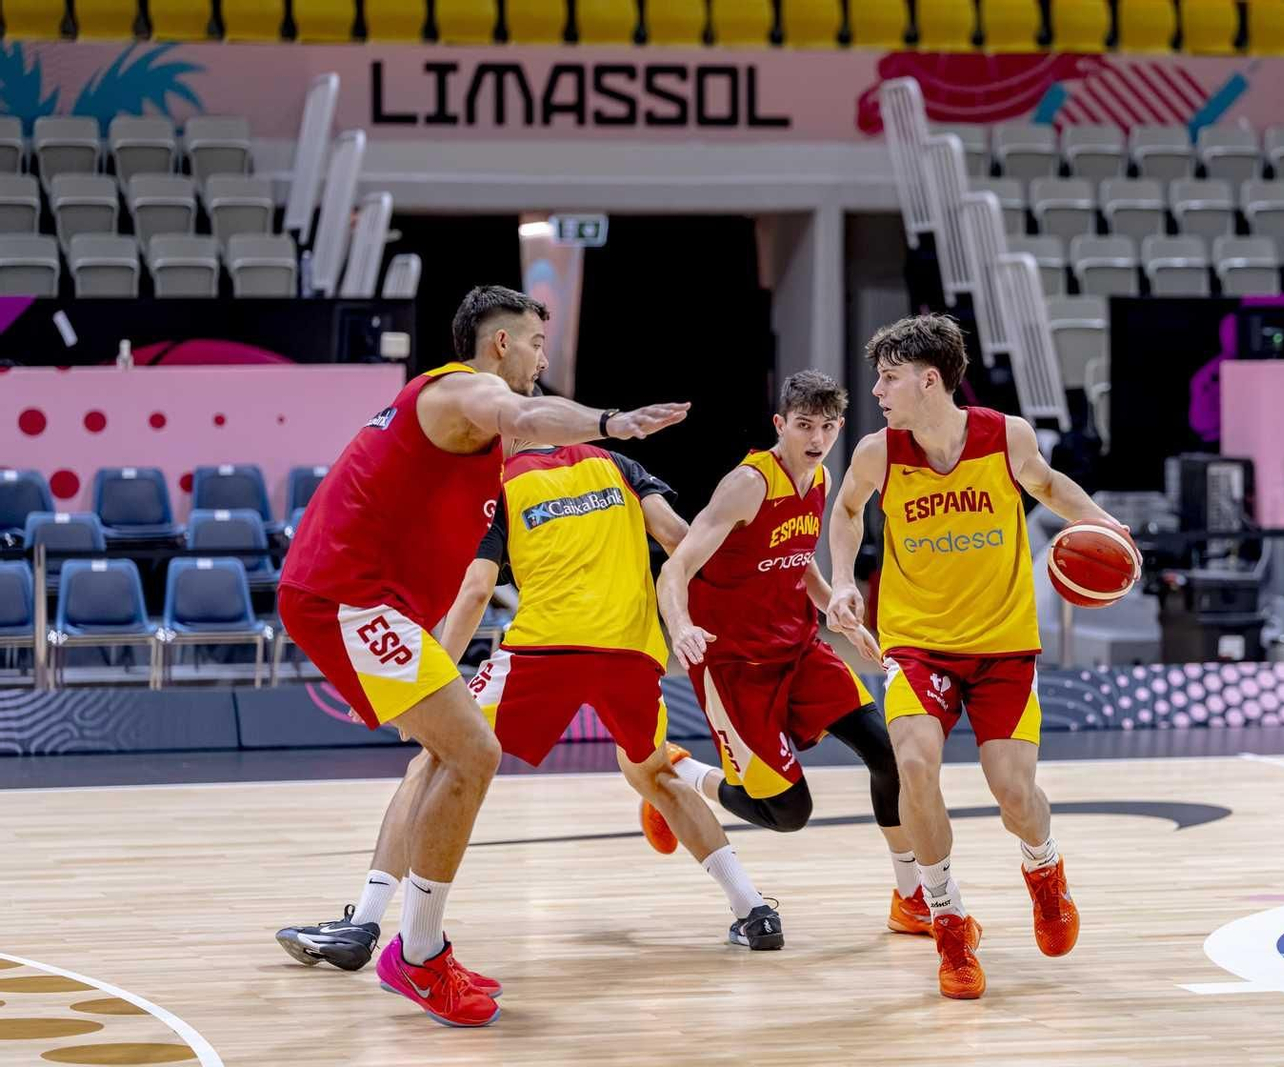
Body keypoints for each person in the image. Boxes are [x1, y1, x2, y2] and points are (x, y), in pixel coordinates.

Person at [274, 285, 688, 1028]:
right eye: (534, 342)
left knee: (450, 753)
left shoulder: (479, 441)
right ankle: (417, 953)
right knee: (474, 753)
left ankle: (391, 931)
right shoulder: (464, 391)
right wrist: (612, 422)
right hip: (344, 596)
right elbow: (529, 415)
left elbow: (463, 541)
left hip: (372, 603)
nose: (541, 356)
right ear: (502, 344)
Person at [276, 438, 785, 982]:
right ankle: (753, 911)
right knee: (655, 772)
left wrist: (424, 686)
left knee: (434, 760)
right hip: (631, 651)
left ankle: (366, 923)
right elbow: (680, 541)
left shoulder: (499, 482)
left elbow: (475, 591)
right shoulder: (616, 464)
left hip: (545, 650)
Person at [825, 314, 1136, 1001]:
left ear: (929, 379)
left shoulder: (1005, 435)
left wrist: (1100, 523)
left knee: (1014, 793)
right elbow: (845, 512)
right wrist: (843, 579)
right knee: (912, 763)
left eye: (889, 376)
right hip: (917, 643)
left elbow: (1050, 487)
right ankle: (948, 920)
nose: (876, 388)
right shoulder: (879, 451)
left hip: (1001, 645)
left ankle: (1044, 869)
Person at [652, 370, 941, 938]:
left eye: (829, 426)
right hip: (734, 665)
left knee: (888, 753)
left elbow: (796, 556)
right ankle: (686, 773)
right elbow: (676, 567)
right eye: (804, 425)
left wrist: (836, 607)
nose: (816, 437)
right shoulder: (748, 484)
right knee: (789, 814)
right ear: (780, 425)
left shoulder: (822, 476)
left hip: (800, 648)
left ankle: (910, 899)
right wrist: (681, 626)